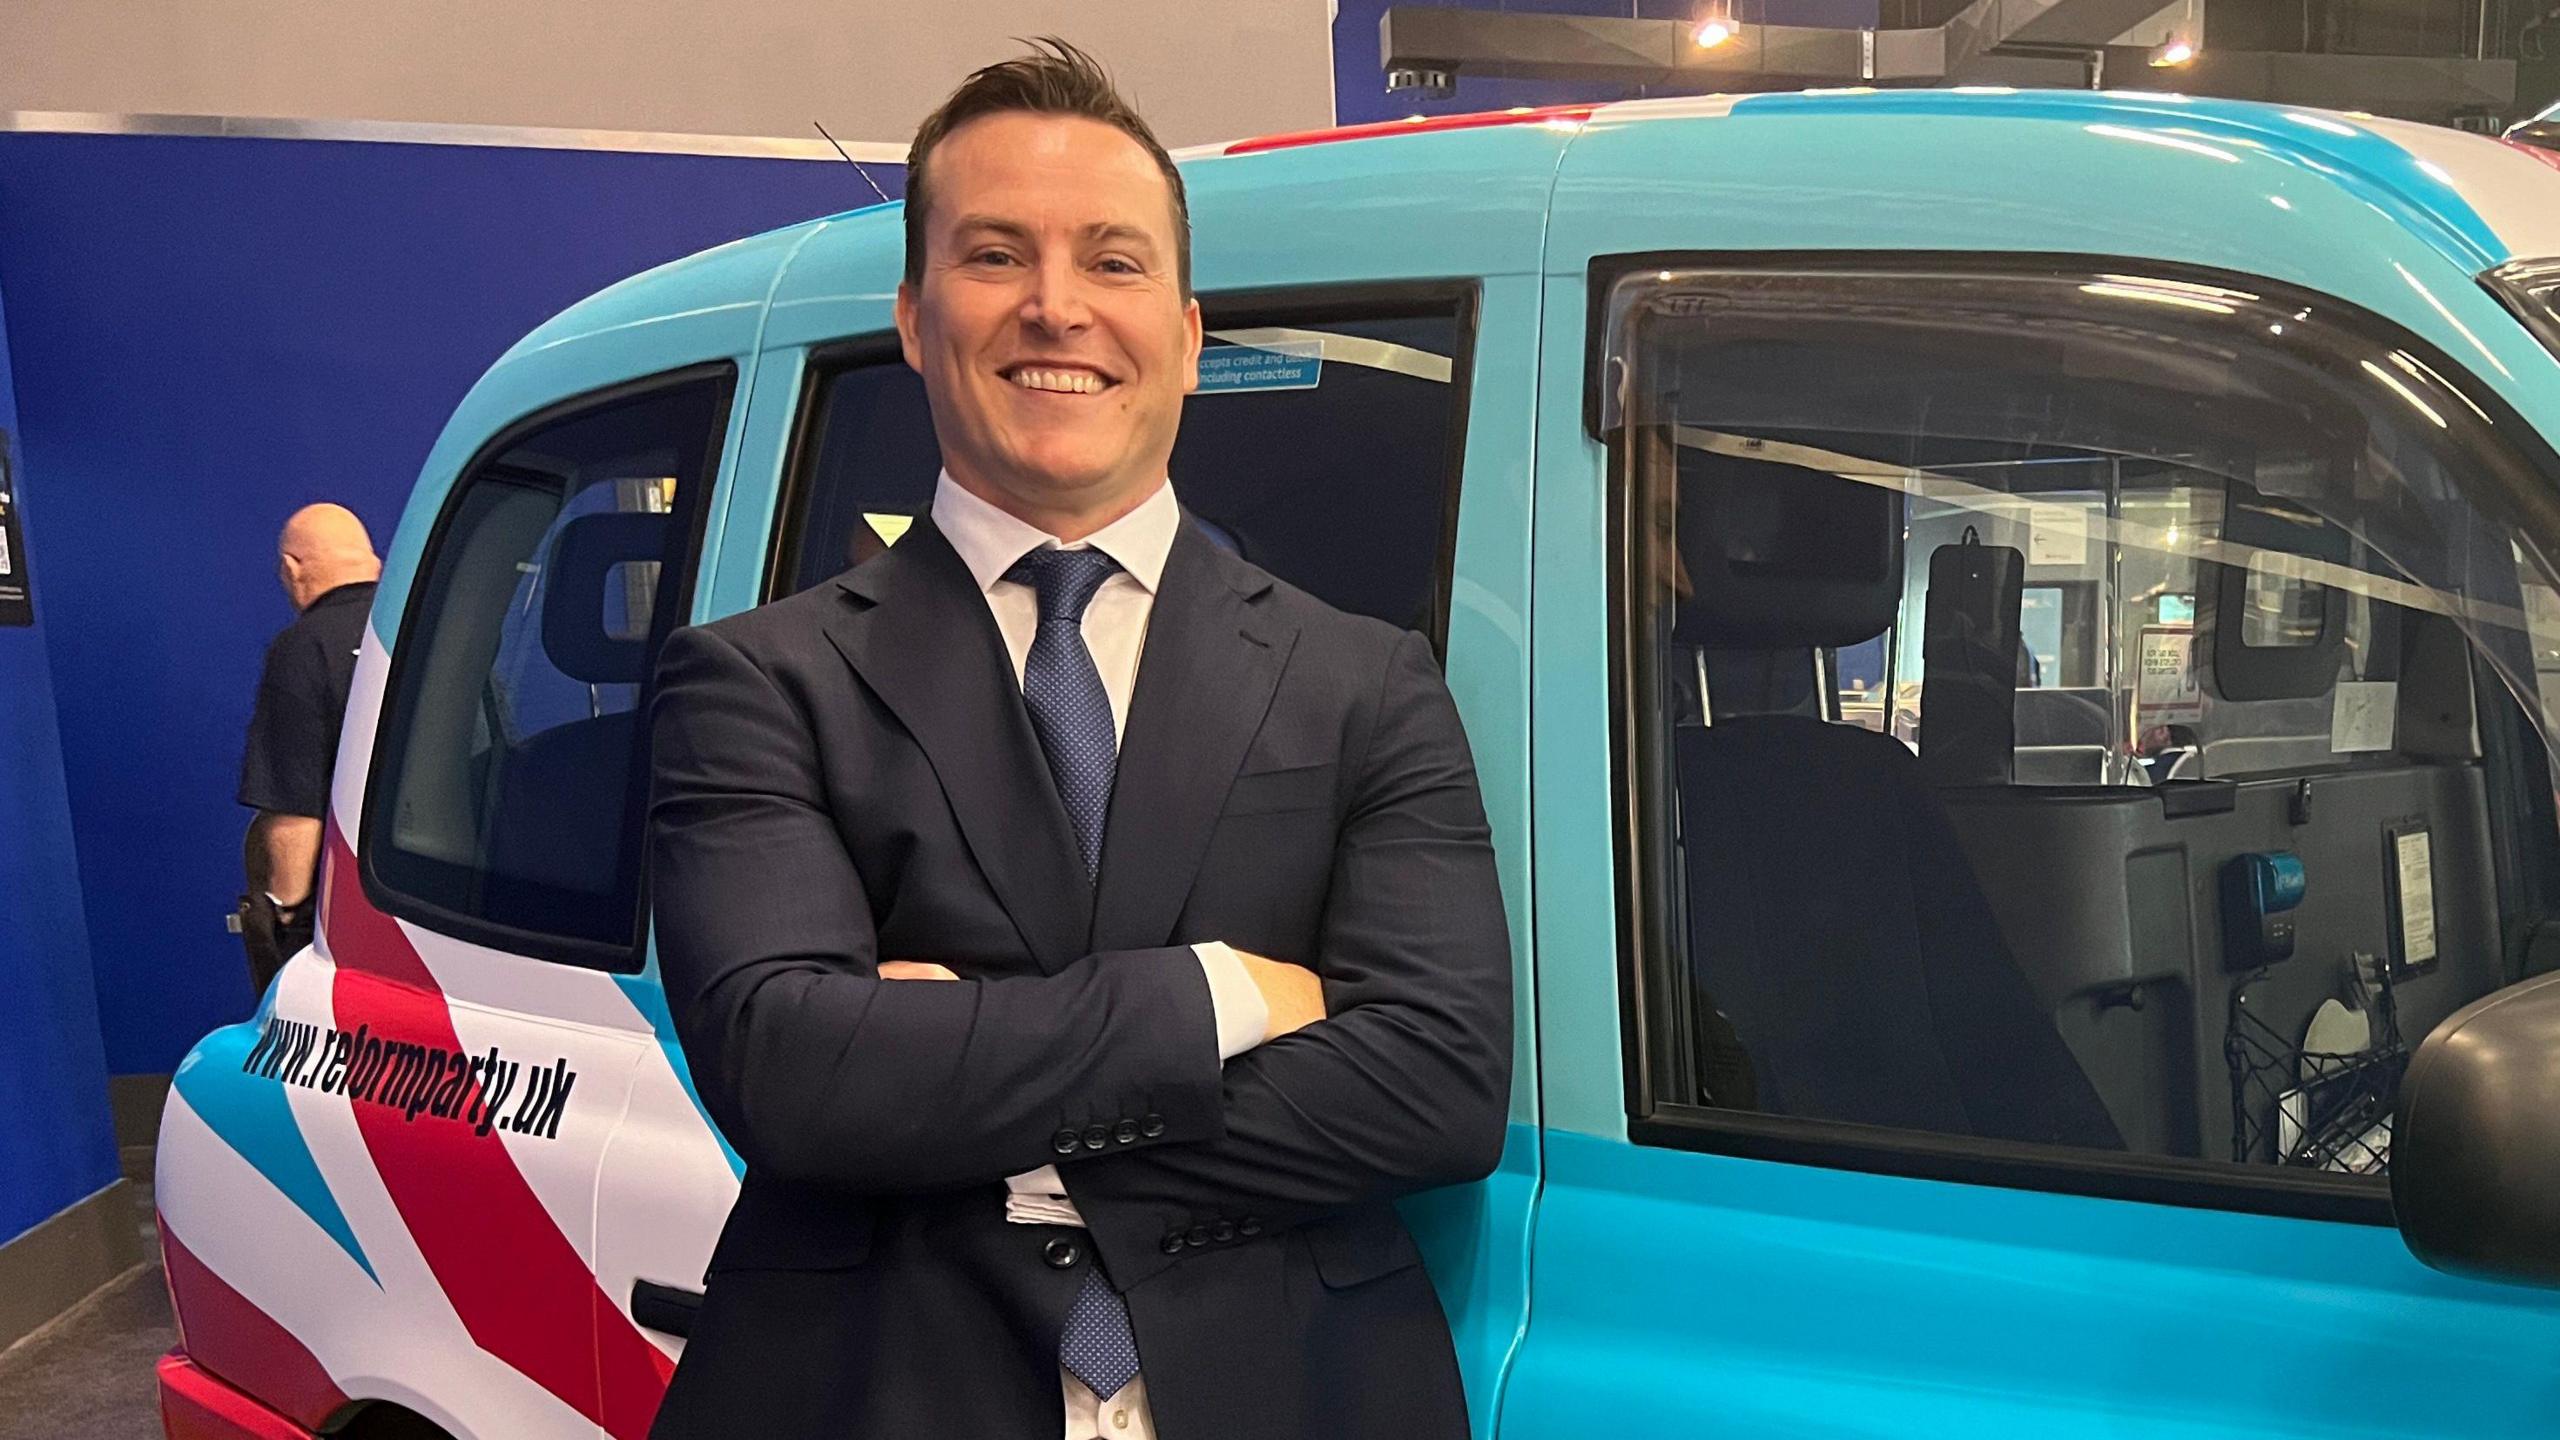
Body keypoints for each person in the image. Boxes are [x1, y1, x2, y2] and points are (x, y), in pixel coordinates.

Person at [645, 39, 1513, 1440]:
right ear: (918, 317)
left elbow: (1439, 1086)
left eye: (1112, 263)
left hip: (1295, 1392)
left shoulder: (1366, 681)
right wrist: (1222, 998)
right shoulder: (761, 680)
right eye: (997, 255)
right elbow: (795, 1072)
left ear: (1183, 328)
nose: (1058, 308)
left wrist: (954, 1086)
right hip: (875, 1391)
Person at [235, 503, 380, 994]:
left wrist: (283, 909)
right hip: (444, 906)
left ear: (291, 570)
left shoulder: (303, 648)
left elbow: (296, 805)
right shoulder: (428, 629)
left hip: (349, 920)